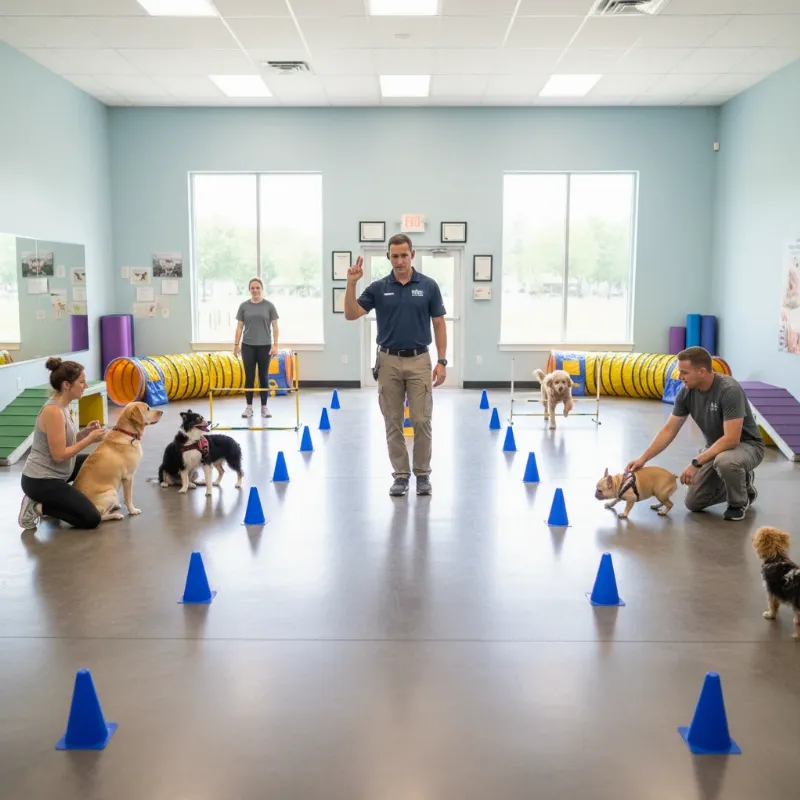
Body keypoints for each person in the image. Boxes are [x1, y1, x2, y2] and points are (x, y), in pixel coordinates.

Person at [344, 233, 447, 497]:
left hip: (420, 360)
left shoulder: (428, 286)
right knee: (393, 421)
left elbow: (438, 323)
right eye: (394, 256)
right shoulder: (379, 288)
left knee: (422, 420)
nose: (399, 260)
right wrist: (351, 284)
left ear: (412, 255)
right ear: (388, 257)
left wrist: (442, 360)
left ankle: (422, 474)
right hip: (388, 361)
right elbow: (351, 314)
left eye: (404, 255)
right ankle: (401, 475)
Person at [626, 346, 764, 521]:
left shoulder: (729, 390)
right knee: (694, 503)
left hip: (747, 446)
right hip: (715, 449)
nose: (679, 377)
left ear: (702, 371)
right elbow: (668, 430)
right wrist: (643, 458)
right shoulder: (686, 392)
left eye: (684, 372)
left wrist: (696, 463)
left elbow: (731, 439)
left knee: (726, 461)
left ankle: (738, 502)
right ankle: (741, 483)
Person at [18, 358, 108, 530]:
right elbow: (59, 455)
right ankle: (38, 506)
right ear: (66, 385)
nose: (86, 386)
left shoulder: (65, 406)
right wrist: (90, 439)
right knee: (91, 519)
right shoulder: (53, 412)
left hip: (59, 472)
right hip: (40, 480)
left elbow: (64, 441)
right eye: (81, 382)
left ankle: (69, 499)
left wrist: (84, 433)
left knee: (97, 461)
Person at [233, 277, 279, 419]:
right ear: (249, 289)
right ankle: (249, 407)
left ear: (261, 288)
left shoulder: (269, 306)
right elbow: (239, 327)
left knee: (263, 376)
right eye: (252, 288)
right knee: (249, 376)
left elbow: (275, 327)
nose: (255, 290)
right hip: (248, 346)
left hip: (265, 346)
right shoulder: (244, 306)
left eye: (257, 287)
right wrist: (236, 345)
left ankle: (264, 407)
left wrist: (275, 345)